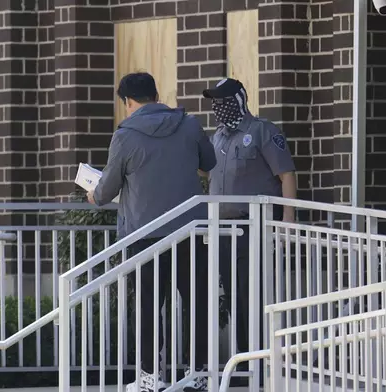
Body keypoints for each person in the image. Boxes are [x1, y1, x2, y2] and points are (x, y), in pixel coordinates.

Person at [89, 72, 216, 392]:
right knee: (196, 302)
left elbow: (106, 190)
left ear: (128, 102)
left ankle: (149, 377)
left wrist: (93, 194)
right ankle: (199, 374)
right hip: (190, 229)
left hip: (143, 235)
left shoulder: (125, 135)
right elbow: (209, 162)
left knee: (146, 306)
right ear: (156, 94)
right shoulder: (189, 124)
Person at [201, 78, 297, 385]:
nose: (218, 107)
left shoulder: (262, 132)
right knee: (232, 297)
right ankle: (243, 361)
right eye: (214, 101)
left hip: (251, 228)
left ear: (239, 99)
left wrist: (288, 219)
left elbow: (286, 175)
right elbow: (206, 172)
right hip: (223, 230)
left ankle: (258, 362)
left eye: (224, 100)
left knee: (251, 295)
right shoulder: (217, 138)